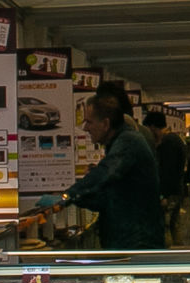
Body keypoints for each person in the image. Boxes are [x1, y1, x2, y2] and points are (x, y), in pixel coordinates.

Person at [54, 92, 167, 252]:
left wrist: (67, 196)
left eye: (89, 122)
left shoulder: (129, 142)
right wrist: (75, 199)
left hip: (137, 243)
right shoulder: (117, 145)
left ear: (106, 124)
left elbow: (106, 172)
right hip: (124, 240)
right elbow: (109, 198)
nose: (85, 128)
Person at [146, 107, 190, 244]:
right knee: (174, 226)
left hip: (170, 194)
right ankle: (178, 255)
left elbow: (167, 171)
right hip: (176, 191)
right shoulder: (174, 140)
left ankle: (170, 257)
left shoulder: (168, 143)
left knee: (167, 228)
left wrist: (163, 195)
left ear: (153, 127)